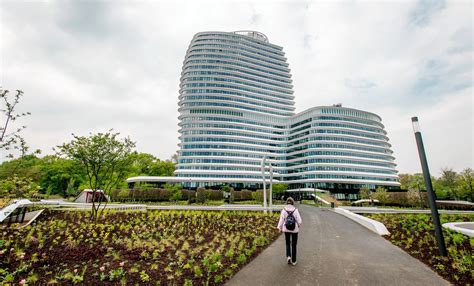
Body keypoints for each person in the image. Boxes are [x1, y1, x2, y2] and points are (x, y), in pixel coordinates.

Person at [277, 197, 302, 266]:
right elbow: (300, 221)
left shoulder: (284, 210)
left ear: (286, 202)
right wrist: (298, 225)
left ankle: (288, 256)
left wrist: (279, 227)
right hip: (295, 229)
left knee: (287, 243)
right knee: (294, 245)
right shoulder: (295, 210)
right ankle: (294, 261)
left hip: (286, 229)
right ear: (293, 202)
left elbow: (281, 220)